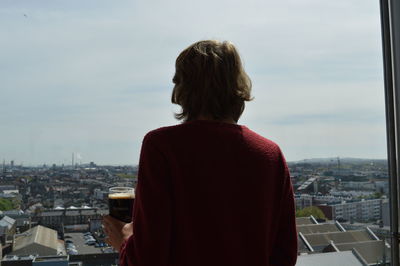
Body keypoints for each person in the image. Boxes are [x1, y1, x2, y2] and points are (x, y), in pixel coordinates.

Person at [103, 40, 298, 266]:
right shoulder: (270, 154)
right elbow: (284, 255)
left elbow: (148, 258)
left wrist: (125, 242)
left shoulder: (161, 146)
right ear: (238, 87)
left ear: (182, 88)